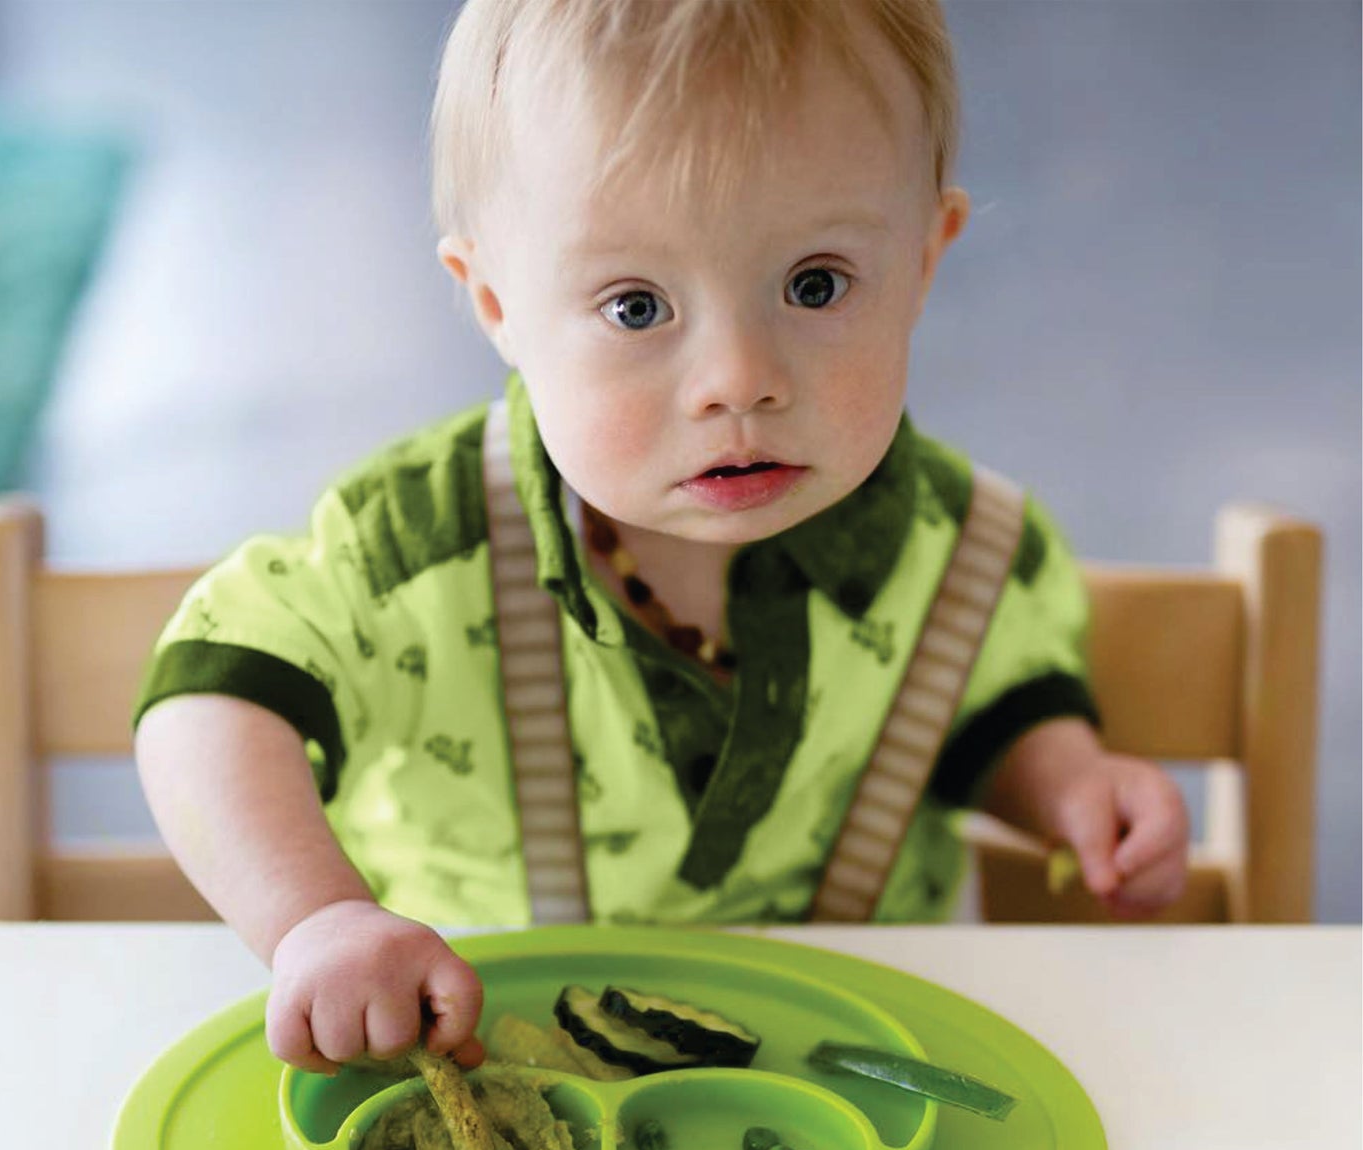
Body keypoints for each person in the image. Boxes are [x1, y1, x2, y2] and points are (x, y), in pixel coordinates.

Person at [134, 0, 1189, 1077]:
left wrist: (1065, 782)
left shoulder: (964, 549)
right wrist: (315, 919)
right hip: (489, 1076)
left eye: (814, 284)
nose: (738, 378)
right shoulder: (414, 548)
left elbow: (993, 703)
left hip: (855, 1085)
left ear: (923, 258)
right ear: (496, 302)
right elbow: (210, 705)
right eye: (635, 307)